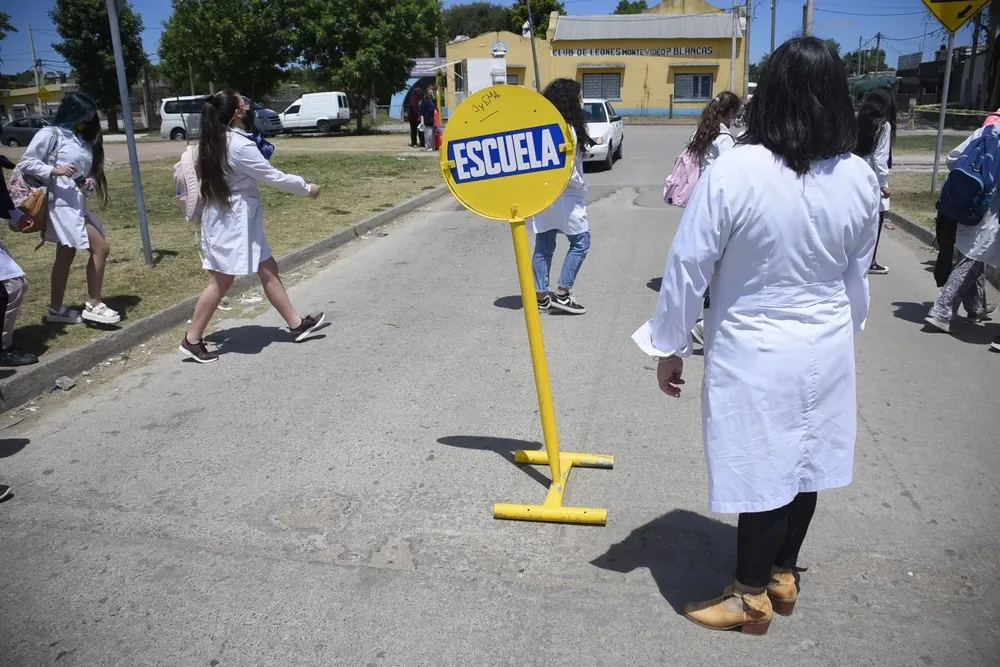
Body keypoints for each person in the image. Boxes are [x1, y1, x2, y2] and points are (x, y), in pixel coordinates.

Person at [633, 37, 880, 635]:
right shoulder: (858, 176)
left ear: (770, 95)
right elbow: (858, 273)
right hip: (825, 340)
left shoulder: (737, 170)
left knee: (762, 466)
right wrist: (845, 328)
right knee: (806, 459)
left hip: (755, 343)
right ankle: (781, 574)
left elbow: (689, 264)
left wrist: (671, 343)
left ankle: (748, 597)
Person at [180, 91, 325, 364]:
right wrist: (307, 188)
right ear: (236, 112)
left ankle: (296, 325)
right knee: (222, 280)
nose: (247, 104)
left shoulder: (219, 139)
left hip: (235, 217)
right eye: (242, 102)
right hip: (231, 220)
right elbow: (271, 176)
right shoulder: (237, 145)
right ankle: (192, 339)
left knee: (267, 268)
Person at [15, 92, 118, 325]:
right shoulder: (50, 134)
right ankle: (94, 303)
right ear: (72, 112)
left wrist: (90, 180)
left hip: (77, 204)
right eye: (85, 115)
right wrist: (55, 170)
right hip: (59, 206)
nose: (87, 121)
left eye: (90, 117)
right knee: (101, 248)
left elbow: (87, 171)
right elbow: (27, 162)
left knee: (65, 255)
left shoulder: (81, 138)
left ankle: (55, 309)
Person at [924, 124, 1000, 350]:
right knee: (973, 258)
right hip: (992, 212)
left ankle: (975, 308)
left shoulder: (987, 131)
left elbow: (952, 159)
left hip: (970, 206)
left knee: (974, 255)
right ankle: (941, 311)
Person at [531, 78, 594, 316]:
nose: (582, 101)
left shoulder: (543, 126)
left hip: (544, 195)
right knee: (581, 242)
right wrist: (581, 185)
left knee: (544, 245)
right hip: (566, 195)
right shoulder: (567, 129)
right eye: (579, 97)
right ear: (569, 101)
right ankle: (563, 294)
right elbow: (566, 169)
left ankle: (541, 297)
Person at [685, 91, 742, 345]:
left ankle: (703, 320)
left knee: (706, 258)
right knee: (718, 264)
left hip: (699, 201)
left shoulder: (702, 132)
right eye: (735, 113)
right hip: (717, 203)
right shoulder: (724, 139)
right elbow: (732, 173)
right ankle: (706, 323)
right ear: (729, 113)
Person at [854, 88, 895, 275]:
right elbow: (880, 158)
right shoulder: (883, 126)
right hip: (872, 178)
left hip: (855, 173)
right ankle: (870, 261)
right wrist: (884, 185)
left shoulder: (857, 121)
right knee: (875, 219)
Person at [420, 87, 437, 152]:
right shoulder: (424, 101)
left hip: (434, 121)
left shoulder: (433, 101)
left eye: (432, 92)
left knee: (433, 136)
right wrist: (422, 121)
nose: (431, 94)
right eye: (430, 92)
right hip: (427, 121)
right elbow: (421, 112)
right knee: (428, 136)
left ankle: (433, 148)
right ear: (427, 93)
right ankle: (428, 148)